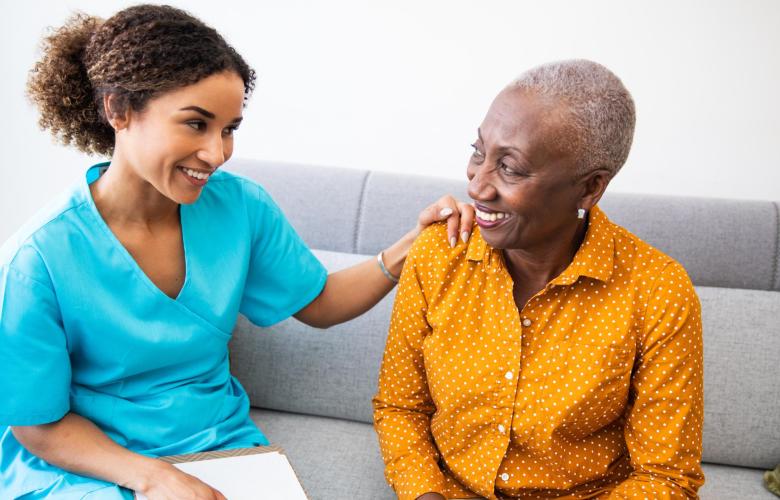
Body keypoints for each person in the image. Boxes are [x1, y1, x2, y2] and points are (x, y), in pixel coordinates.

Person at [0, 5, 474, 499]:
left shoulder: (239, 207)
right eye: (195, 124)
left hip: (214, 444)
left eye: (228, 129)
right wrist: (155, 478)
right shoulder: (36, 262)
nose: (217, 153)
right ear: (118, 110)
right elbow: (38, 426)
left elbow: (322, 302)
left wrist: (410, 247)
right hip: (86, 464)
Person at [373, 60, 704, 499]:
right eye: (478, 152)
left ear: (590, 188)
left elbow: (666, 478)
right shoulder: (440, 253)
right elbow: (401, 409)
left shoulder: (659, 292)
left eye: (510, 168)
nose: (477, 186)